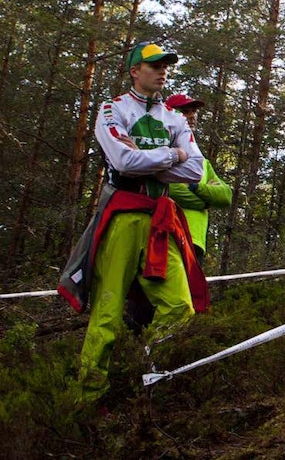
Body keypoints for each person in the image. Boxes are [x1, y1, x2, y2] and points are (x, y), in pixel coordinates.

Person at [58, 42, 208, 401]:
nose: (163, 71)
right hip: (122, 216)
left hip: (160, 219)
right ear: (134, 71)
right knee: (107, 313)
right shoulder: (113, 109)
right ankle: (87, 399)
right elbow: (123, 162)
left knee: (180, 307)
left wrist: (148, 157)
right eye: (154, 65)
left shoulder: (173, 117)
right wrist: (172, 152)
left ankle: (147, 377)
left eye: (166, 66)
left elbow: (195, 169)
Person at [165, 93, 233, 265]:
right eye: (185, 111)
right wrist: (205, 201)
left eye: (194, 112)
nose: (192, 116)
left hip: (196, 242)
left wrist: (196, 188)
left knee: (191, 292)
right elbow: (170, 188)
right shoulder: (162, 152)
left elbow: (225, 196)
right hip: (168, 233)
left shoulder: (202, 162)